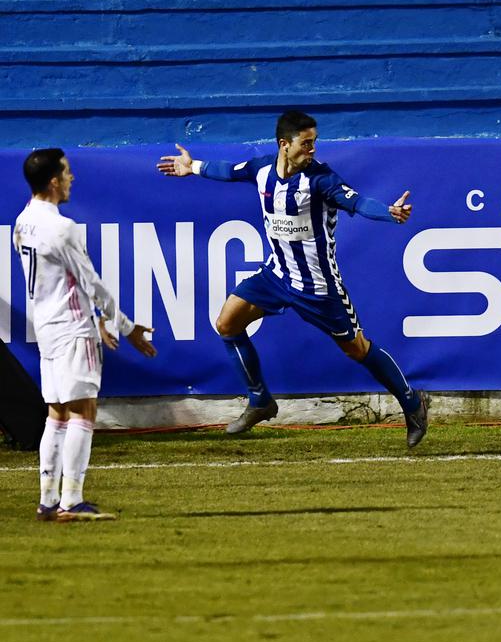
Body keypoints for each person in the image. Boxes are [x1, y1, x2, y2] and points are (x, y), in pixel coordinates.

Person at [157, 111, 429, 449]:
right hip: (276, 275)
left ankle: (412, 403)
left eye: (314, 143)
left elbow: (357, 202)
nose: (312, 150)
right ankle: (260, 401)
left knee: (356, 349)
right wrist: (192, 166)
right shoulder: (262, 170)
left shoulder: (321, 180)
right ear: (284, 144)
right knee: (227, 324)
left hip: (319, 287)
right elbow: (228, 171)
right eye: (306, 144)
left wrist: (387, 212)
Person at [13, 148, 157, 521]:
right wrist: (125, 326)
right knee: (83, 411)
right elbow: (91, 283)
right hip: (73, 328)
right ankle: (71, 501)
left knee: (57, 413)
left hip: (46, 326)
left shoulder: (22, 222)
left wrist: (98, 319)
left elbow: (63, 282)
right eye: (67, 172)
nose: (72, 178)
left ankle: (48, 499)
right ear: (53, 182)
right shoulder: (62, 228)